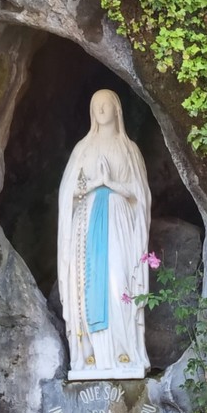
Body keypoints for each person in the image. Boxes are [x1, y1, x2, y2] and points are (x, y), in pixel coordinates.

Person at [58, 89, 151, 379]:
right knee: (87, 282)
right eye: (95, 105)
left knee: (118, 280)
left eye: (105, 104)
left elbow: (140, 194)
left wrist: (111, 183)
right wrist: (93, 184)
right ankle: (92, 356)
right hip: (86, 224)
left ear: (117, 110)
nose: (100, 110)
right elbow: (67, 193)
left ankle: (125, 352)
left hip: (119, 221)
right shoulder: (83, 149)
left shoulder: (129, 149)